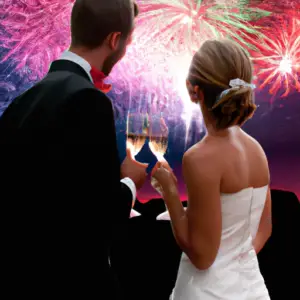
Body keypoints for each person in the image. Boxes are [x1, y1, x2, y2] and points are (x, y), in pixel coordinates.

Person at [0, 1, 147, 298]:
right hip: (73, 282)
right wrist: (131, 182)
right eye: (127, 43)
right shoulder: (88, 100)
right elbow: (98, 215)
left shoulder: (21, 103)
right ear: (114, 40)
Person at [152, 39, 272, 299]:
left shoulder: (199, 158)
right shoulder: (257, 151)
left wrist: (170, 193)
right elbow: (264, 228)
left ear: (196, 92)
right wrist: (233, 264)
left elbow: (202, 256)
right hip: (252, 290)